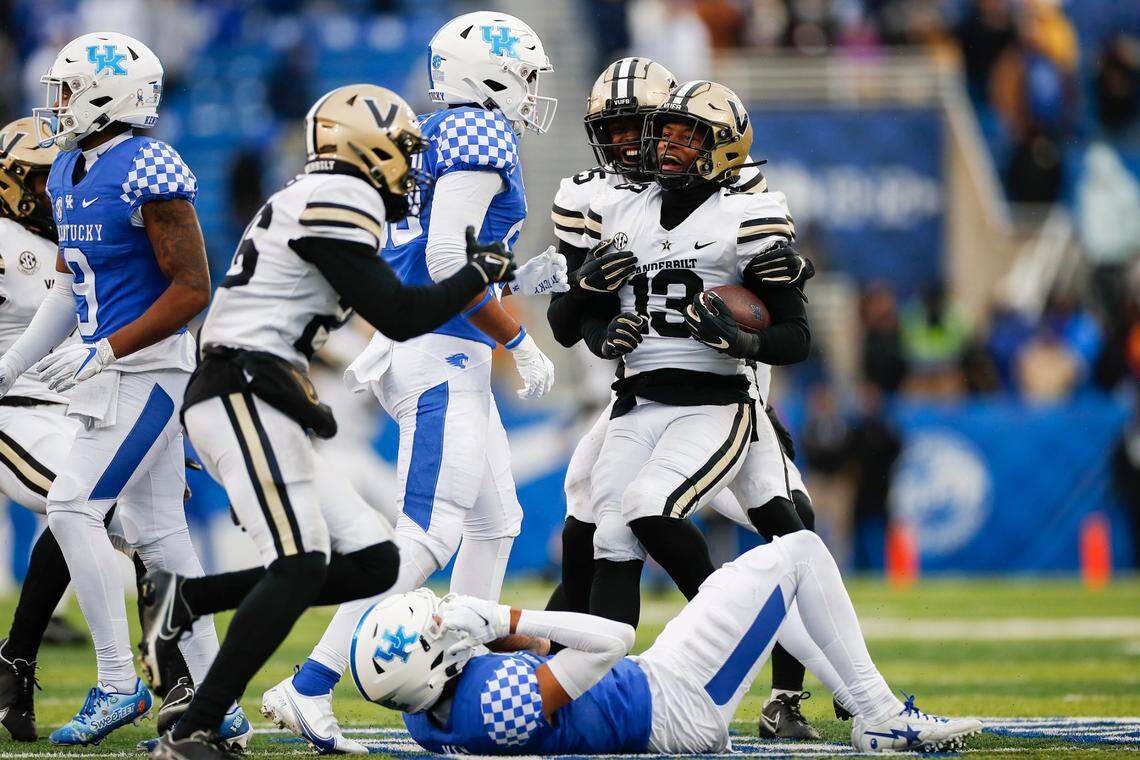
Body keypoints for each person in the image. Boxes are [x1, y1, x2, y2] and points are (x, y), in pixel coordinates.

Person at [136, 83, 519, 760]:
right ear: (364, 148)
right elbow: (399, 313)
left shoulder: (318, 195)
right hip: (240, 389)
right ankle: (198, 723)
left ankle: (186, 599)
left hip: (259, 388)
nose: (411, 167)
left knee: (374, 562)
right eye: (402, 152)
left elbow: (302, 309)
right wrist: (475, 276)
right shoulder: (344, 196)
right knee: (300, 566)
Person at [265, 12, 566, 753]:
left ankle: (460, 675)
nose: (529, 91)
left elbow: (439, 261)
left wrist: (523, 278)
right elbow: (441, 261)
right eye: (524, 74)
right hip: (438, 356)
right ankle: (307, 685)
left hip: (434, 347)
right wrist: (519, 339)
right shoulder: (480, 133)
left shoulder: (441, 133)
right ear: (487, 72)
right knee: (423, 540)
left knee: (496, 524)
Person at [545, 62, 825, 738]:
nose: (638, 146)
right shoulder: (602, 203)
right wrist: (593, 308)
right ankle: (568, 677)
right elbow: (568, 318)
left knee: (791, 533)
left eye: (653, 130)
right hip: (635, 396)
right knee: (594, 534)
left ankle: (791, 690)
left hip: (731, 401)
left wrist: (771, 297)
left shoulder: (742, 200)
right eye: (630, 131)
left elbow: (783, 309)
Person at [0, 33, 248, 747]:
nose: (60, 103)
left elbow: (192, 287)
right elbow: (74, 282)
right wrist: (15, 364)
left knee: (74, 505)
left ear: (111, 93)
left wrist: (105, 347)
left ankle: (117, 682)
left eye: (70, 89)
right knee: (162, 540)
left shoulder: (150, 164)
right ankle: (217, 703)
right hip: (114, 372)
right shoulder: (75, 165)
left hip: (150, 370)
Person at [349, 531, 983, 754]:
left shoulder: (428, 714)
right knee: (799, 555)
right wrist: (500, 612)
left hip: (649, 688)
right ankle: (877, 714)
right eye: (437, 635)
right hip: (681, 704)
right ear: (431, 669)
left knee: (762, 580)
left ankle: (863, 705)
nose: (444, 624)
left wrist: (502, 631)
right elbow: (612, 641)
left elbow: (542, 659)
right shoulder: (492, 703)